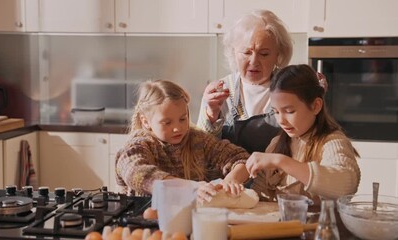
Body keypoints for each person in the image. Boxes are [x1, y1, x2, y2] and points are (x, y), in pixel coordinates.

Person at [197, 9, 326, 154]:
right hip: (229, 175)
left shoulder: (291, 87)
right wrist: (211, 115)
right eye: (246, 52)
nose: (254, 61)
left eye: (264, 54)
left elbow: (312, 141)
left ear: (278, 54)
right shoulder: (219, 91)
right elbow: (200, 151)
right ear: (233, 52)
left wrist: (313, 103)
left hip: (277, 174)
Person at [243, 64, 360, 202]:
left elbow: (345, 185)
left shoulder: (332, 142)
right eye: (276, 111)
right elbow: (259, 197)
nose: (281, 120)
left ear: (316, 106)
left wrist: (281, 161)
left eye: (289, 111)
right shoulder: (276, 144)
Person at [115, 79, 249, 196]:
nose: (177, 128)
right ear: (146, 122)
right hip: (142, 220)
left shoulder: (198, 140)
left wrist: (231, 180)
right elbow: (136, 172)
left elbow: (240, 158)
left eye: (182, 119)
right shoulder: (141, 145)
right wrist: (190, 187)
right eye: (167, 122)